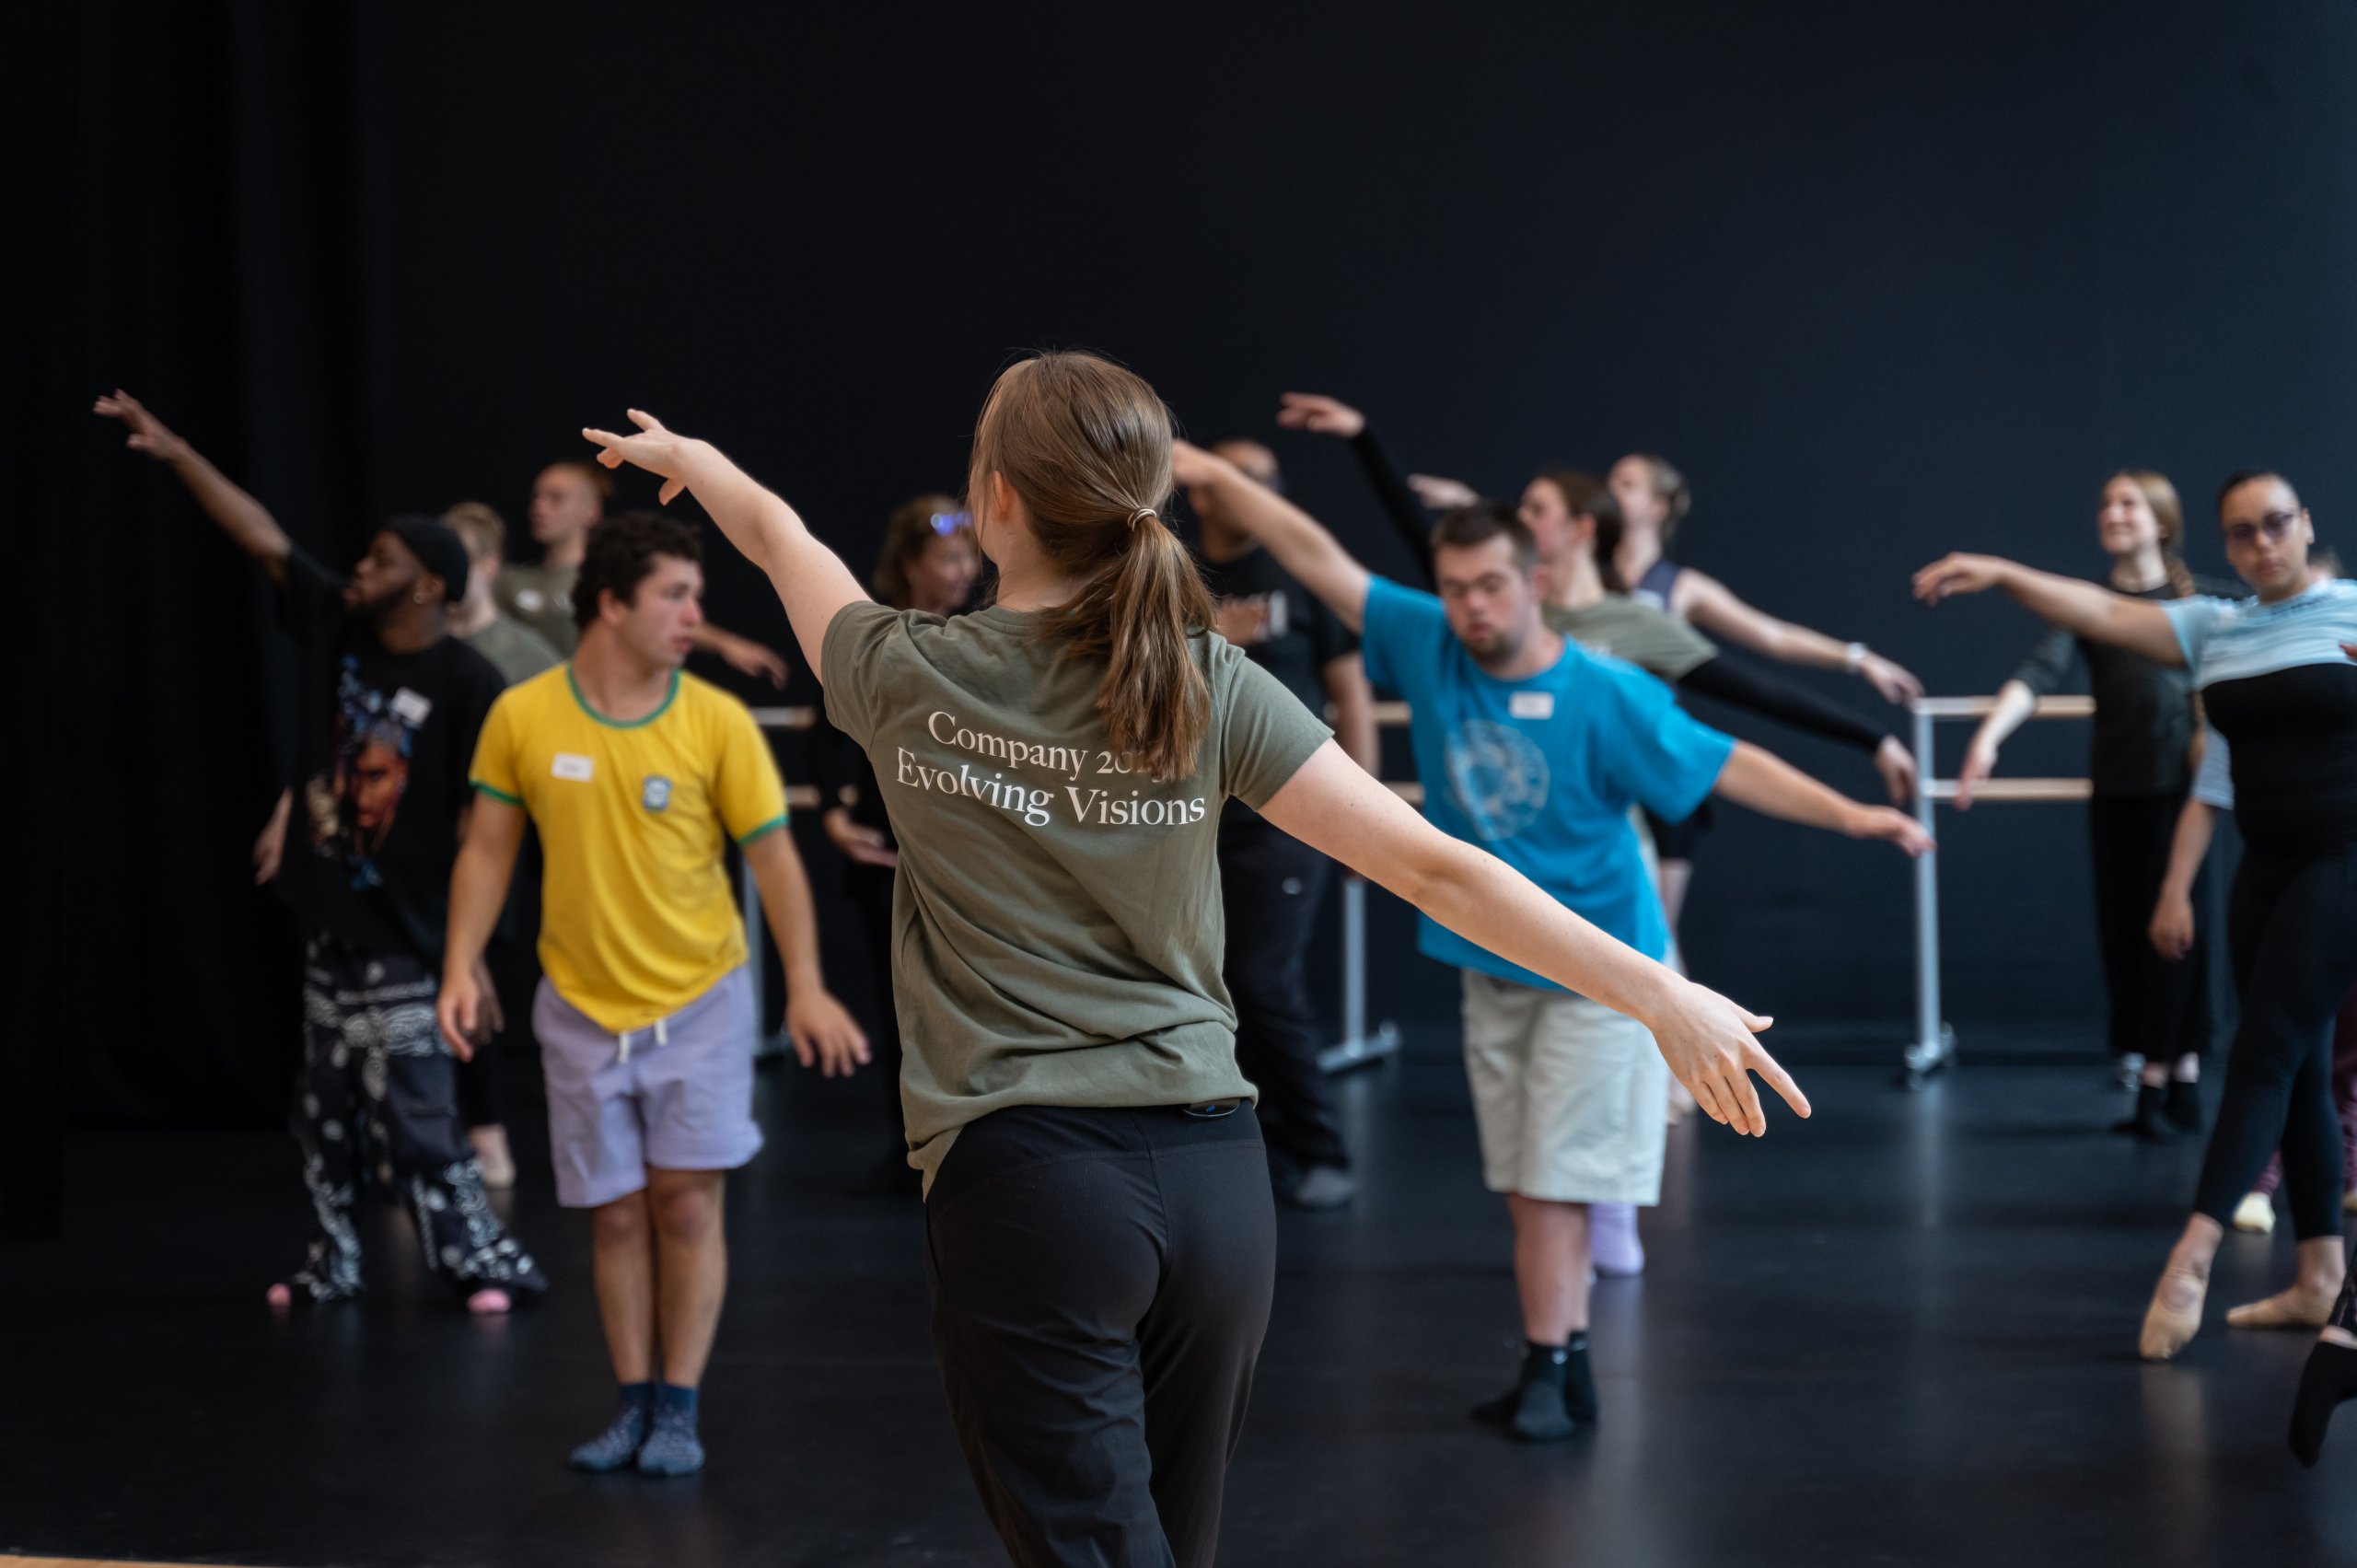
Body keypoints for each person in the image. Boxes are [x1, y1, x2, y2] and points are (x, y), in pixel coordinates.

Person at [583, 351, 1812, 1566]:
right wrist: (1656, 987)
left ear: (998, 500)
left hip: (1029, 1181)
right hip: (1219, 1184)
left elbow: (781, 536)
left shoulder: (903, 667)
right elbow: (1436, 864)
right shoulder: (1205, 679)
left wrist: (692, 461)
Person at [1173, 436, 1925, 1446]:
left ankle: (1552, 1363)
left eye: (1489, 586)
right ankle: (1559, 1365)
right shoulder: (1427, 643)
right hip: (1490, 965)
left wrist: (1850, 814)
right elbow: (1309, 551)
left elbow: (1725, 761)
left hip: (1600, 969)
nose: (1471, 607)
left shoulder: (1604, 689)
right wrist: (1205, 473)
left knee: (1556, 1183)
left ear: (1533, 582)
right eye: (1452, 588)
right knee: (1528, 1179)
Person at [94, 389, 545, 1313]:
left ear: (426, 584)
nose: (360, 567)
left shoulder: (470, 682)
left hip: (408, 936)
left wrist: (468, 954)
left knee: (420, 1112)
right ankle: (332, 1257)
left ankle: (483, 1257)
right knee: (323, 1114)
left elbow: (482, 828)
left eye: (382, 559)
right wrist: (178, 450)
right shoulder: (340, 627)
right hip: (331, 925)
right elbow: (261, 536)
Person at [439, 509, 867, 1477]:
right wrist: (460, 963)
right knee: (618, 1213)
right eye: (673, 595)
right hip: (580, 1009)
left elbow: (777, 863)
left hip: (701, 1002)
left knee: (684, 1206)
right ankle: (630, 1402)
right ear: (609, 604)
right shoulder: (525, 714)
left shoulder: (712, 718)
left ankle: (679, 1405)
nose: (692, 615)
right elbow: (487, 850)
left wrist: (803, 984)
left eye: (694, 595)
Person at [1914, 469, 2357, 1364]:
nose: (2261, 541)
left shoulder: (2350, 608)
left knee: (2262, 1050)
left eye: (2275, 523)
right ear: (2225, 543)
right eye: (2241, 531)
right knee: (2300, 1066)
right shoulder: (2215, 630)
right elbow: (2099, 613)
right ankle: (2317, 1277)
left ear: (2305, 524)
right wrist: (2002, 570)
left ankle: (2188, 1257)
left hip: (2343, 861)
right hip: (2262, 868)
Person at [1955, 472, 2227, 1123]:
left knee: (2177, 932)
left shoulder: (2206, 602)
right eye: (2105, 502)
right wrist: (1988, 738)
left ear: (2161, 521)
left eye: (2128, 502)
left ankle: (2170, 1078)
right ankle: (2167, 1077)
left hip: (2181, 799)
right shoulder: (2092, 604)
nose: (2112, 512)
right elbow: (2037, 674)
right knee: (2129, 936)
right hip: (2119, 792)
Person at [1187, 436, 1380, 1211]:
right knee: (1212, 986)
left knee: (1262, 979)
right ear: (1198, 491)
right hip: (1195, 816)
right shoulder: (1176, 578)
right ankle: (1249, 1148)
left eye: (1257, 478)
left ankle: (1320, 1145)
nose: (1241, 490)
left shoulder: (1301, 581)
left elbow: (1352, 696)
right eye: (1226, 477)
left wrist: (1365, 819)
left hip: (1287, 819)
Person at [808, 494, 982, 1196]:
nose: (963, 570)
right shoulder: (875, 635)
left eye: (970, 555)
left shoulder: (988, 635)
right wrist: (830, 809)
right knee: (900, 1006)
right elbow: (827, 721)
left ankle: (974, 1139)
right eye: (948, 557)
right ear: (911, 565)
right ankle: (910, 1141)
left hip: (969, 856)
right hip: (890, 854)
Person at [2153, 726, 2357, 1235]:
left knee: (2339, 1047)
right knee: (2283, 1047)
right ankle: (2259, 1177)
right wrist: (2174, 891)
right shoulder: (2251, 688)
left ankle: (2345, 1165)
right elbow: (2211, 785)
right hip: (2296, 883)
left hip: (2342, 876)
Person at [500, 458, 795, 684]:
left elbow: (660, 612)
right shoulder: (507, 581)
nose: (539, 507)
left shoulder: (609, 579)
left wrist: (726, 644)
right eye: (536, 497)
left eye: (556, 498)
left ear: (591, 510)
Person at [444, 501, 563, 684]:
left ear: (489, 567)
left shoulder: (529, 655)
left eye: (460, 561)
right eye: (440, 563)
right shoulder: (419, 642)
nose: (445, 574)